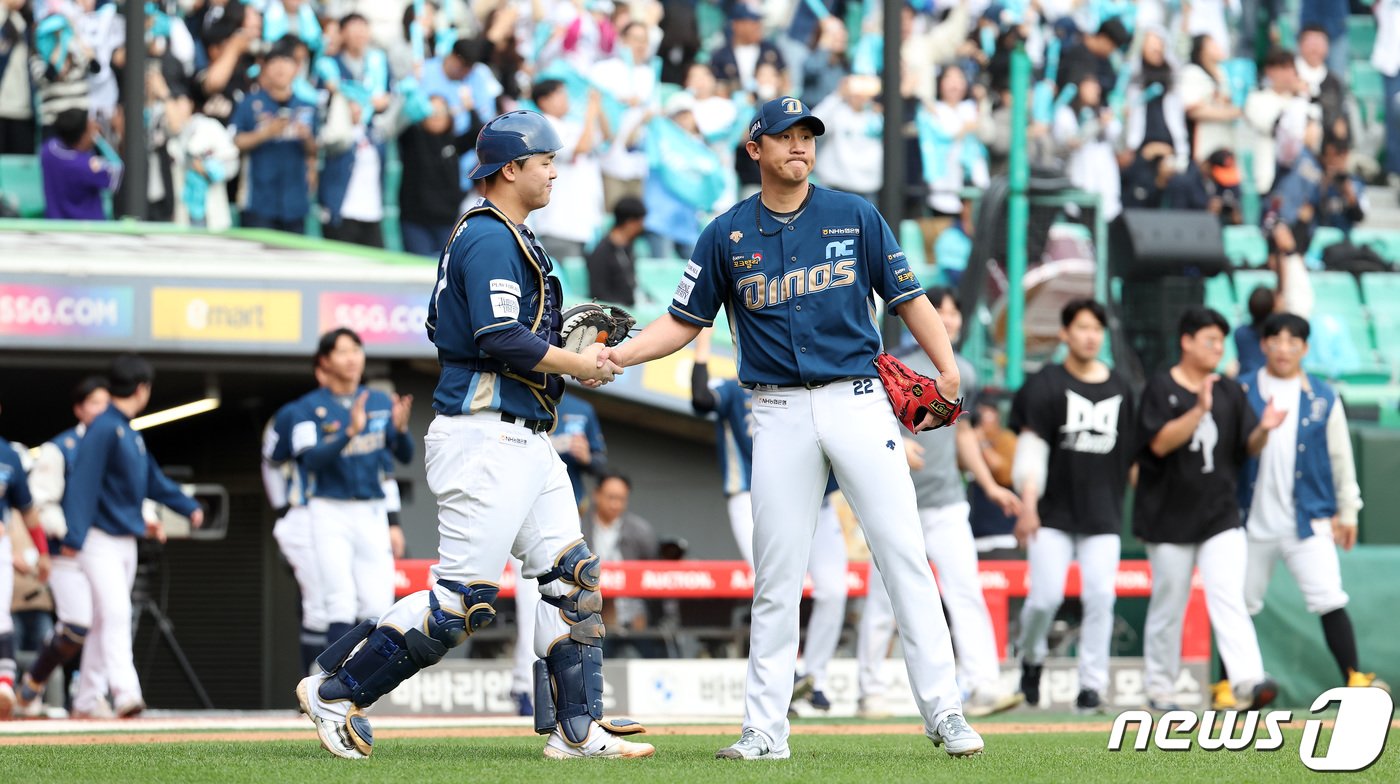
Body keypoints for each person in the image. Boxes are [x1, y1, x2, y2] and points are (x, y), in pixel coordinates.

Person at [603, 96, 984, 759]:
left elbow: (908, 297)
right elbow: (682, 322)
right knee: (778, 576)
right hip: (775, 411)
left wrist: (947, 371)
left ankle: (945, 712)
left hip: (858, 399)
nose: (799, 145)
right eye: (784, 136)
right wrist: (619, 355)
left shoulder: (854, 215)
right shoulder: (726, 233)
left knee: (902, 555)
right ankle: (764, 730)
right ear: (755, 150)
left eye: (807, 134)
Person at [295, 110, 652, 761]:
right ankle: (335, 692)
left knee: (572, 577)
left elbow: (509, 332)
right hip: (485, 434)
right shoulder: (487, 234)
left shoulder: (515, 234)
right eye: (545, 160)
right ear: (511, 168)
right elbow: (498, 337)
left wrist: (563, 342)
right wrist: (579, 361)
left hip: (525, 437)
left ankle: (576, 728)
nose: (553, 171)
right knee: (460, 605)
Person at [856, 288, 1023, 720]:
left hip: (948, 500)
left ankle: (984, 685)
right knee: (884, 596)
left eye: (954, 312)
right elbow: (867, 420)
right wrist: (897, 446)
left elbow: (963, 433)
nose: (947, 319)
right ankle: (869, 690)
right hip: (896, 499)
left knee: (965, 589)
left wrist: (989, 485)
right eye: (939, 311)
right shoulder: (889, 359)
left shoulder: (961, 369)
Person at [1133, 307, 1284, 713]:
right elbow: (1159, 444)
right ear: (1186, 341)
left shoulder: (1231, 391)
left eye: (1221, 341)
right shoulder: (1160, 387)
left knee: (1227, 595)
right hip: (1168, 516)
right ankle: (1161, 688)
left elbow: (1246, 446)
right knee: (1169, 603)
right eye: (1209, 340)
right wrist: (1198, 409)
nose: (1217, 348)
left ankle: (1248, 682)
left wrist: (1265, 429)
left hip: (1220, 514)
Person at [690, 327, 846, 713]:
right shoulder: (731, 388)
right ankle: (785, 678)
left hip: (818, 499)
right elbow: (698, 400)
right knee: (774, 584)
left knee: (833, 589)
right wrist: (702, 345)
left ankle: (815, 677)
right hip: (749, 495)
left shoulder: (806, 382)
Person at [1234, 313, 1386, 692]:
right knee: (1238, 604)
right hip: (1249, 520)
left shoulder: (1322, 396)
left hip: (1308, 518)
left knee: (1329, 596)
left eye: (1293, 341)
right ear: (1264, 344)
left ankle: (1354, 679)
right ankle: (1232, 685)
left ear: (1305, 348)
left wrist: (1348, 509)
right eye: (1276, 339)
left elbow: (1341, 456)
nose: (1284, 348)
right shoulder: (1242, 390)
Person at [59, 354, 203, 719]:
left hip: (125, 539)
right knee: (117, 612)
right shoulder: (105, 427)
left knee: (104, 619)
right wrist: (74, 536)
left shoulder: (128, 431)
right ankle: (126, 693)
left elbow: (153, 480)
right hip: (97, 539)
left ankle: (87, 700)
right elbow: (82, 484)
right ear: (142, 389)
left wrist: (187, 505)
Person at [1012, 299, 1135, 713]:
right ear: (1065, 334)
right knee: (1045, 598)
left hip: (1103, 514)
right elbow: (1030, 450)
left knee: (1100, 595)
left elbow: (1131, 454)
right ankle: (1031, 659)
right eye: (1081, 327)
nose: (1090, 336)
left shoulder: (1120, 386)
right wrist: (1028, 506)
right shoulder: (1045, 383)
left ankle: (1091, 686)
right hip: (1053, 514)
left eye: (1096, 329)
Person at [289, 329, 413, 648]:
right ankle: (335, 687)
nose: (351, 358)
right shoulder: (307, 408)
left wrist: (400, 430)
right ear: (325, 361)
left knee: (377, 602)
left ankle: (365, 689)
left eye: (356, 349)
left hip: (371, 509)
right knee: (339, 600)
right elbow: (309, 461)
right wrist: (348, 432)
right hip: (328, 508)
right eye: (342, 351)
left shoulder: (379, 401)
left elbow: (403, 456)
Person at [14, 377, 108, 717]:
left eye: (106, 403)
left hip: (106, 546)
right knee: (77, 624)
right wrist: (67, 533)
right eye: (94, 403)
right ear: (79, 408)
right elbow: (39, 501)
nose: (101, 410)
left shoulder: (117, 443)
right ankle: (35, 680)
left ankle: (91, 697)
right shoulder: (60, 447)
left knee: (108, 622)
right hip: (68, 551)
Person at [262, 389, 326, 677]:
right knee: (316, 606)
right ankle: (314, 687)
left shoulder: (365, 407)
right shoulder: (293, 413)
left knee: (354, 605)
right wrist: (282, 509)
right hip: (306, 514)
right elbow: (270, 461)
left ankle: (351, 688)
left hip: (352, 515)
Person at [232, 47, 318, 233]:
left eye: (287, 63)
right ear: (265, 68)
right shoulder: (249, 103)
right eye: (275, 62)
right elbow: (235, 142)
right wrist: (266, 133)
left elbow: (315, 150)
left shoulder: (307, 107)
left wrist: (306, 137)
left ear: (296, 69)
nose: (281, 68)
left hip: (294, 201)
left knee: (294, 259)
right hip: (258, 199)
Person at [0, 409, 50, 719]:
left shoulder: (8, 454)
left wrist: (42, 551)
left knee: (0, 614)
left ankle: (4, 683)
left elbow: (28, 509)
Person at [582, 473, 661, 658]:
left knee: (656, 660)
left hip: (635, 616)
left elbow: (656, 574)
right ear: (597, 494)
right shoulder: (579, 527)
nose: (615, 504)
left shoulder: (640, 530)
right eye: (610, 497)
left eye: (621, 499)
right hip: (593, 618)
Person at [39, 108, 121, 221]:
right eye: (90, 128)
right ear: (82, 137)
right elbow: (117, 168)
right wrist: (99, 139)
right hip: (87, 232)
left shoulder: (48, 150)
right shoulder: (85, 167)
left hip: (55, 227)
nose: (96, 127)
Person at [586, 196, 647, 306]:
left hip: (631, 310)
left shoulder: (628, 247)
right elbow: (598, 293)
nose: (642, 227)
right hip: (615, 314)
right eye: (640, 223)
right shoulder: (601, 253)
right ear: (630, 223)